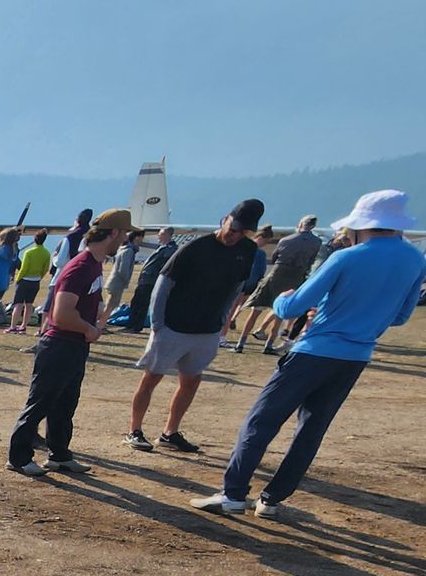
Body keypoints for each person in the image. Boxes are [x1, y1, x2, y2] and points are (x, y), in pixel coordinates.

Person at [191, 191, 425, 518]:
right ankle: (272, 500)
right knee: (311, 430)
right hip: (356, 357)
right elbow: (400, 316)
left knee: (261, 421)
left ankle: (233, 494)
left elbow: (293, 305)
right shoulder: (415, 260)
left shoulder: (347, 257)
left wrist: (283, 299)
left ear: (362, 225)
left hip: (313, 352)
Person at [124, 199, 263, 454]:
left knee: (191, 381)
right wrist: (157, 325)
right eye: (233, 229)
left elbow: (237, 286)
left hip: (207, 329)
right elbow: (163, 285)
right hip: (174, 326)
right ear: (224, 220)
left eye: (242, 232)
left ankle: (170, 432)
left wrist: (224, 318)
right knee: (151, 377)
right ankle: (134, 430)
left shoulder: (248, 249)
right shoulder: (196, 247)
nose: (236, 236)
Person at [6, 208, 132, 477]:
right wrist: (89, 329)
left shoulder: (94, 265)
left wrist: (95, 313)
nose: (125, 240)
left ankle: (60, 455)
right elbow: (61, 314)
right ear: (113, 233)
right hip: (60, 344)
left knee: (65, 403)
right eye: (124, 234)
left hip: (74, 345)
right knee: (41, 402)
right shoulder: (81, 267)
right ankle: (18, 457)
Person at [241, 213, 322, 352]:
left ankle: (241, 343)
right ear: (313, 226)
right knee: (279, 312)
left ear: (300, 225)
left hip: (278, 274)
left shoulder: (286, 240)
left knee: (256, 310)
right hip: (296, 276)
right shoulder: (317, 242)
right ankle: (269, 344)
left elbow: (274, 258)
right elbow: (311, 261)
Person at [40, 208, 92, 319]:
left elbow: (60, 261)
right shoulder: (89, 236)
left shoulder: (70, 237)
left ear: (77, 220)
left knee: (49, 307)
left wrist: (54, 258)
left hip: (62, 275)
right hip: (81, 276)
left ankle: (44, 329)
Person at [123, 225, 177, 334]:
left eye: (161, 234)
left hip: (151, 280)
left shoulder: (169, 249)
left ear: (167, 235)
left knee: (142, 303)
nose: (159, 236)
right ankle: (131, 324)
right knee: (136, 302)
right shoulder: (161, 247)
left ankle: (136, 326)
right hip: (146, 278)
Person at [8, 230, 52, 334]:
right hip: (35, 281)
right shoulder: (46, 253)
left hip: (24, 280)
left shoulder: (29, 252)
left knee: (18, 304)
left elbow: (23, 268)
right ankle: (23, 326)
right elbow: (45, 268)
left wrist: (18, 278)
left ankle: (13, 326)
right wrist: (39, 277)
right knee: (29, 304)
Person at [103, 229, 144, 322]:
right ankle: (101, 322)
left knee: (110, 303)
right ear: (136, 237)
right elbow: (123, 268)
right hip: (118, 282)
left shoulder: (123, 249)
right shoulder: (129, 251)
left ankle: (102, 321)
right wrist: (126, 281)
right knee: (112, 304)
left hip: (114, 280)